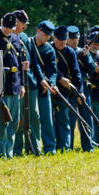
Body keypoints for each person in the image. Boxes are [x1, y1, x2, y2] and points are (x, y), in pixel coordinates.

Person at [0, 13, 25, 159]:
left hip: (15, 85)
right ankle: (1, 153)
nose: (7, 30)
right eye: (6, 27)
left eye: (10, 28)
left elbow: (21, 64)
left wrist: (22, 84)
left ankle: (9, 152)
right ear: (1, 22)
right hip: (1, 87)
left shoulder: (16, 39)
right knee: (0, 124)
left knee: (14, 122)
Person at [13, 9, 45, 156]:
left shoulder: (26, 38)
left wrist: (42, 80)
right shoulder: (6, 37)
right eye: (22, 24)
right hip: (16, 84)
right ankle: (17, 150)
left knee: (34, 117)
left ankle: (35, 148)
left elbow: (35, 62)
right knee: (18, 119)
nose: (25, 27)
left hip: (30, 83)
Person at [51, 25, 84, 152]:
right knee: (51, 123)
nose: (61, 42)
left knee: (64, 121)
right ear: (54, 38)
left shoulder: (70, 52)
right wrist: (60, 78)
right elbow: (47, 67)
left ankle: (65, 148)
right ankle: (52, 148)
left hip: (65, 92)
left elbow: (76, 73)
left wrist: (80, 91)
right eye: (59, 39)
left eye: (64, 40)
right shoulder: (49, 49)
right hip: (49, 89)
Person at [29, 20, 58, 155]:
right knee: (31, 119)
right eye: (45, 34)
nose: (47, 37)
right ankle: (32, 147)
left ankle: (50, 148)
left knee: (46, 120)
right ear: (38, 30)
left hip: (44, 88)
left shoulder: (49, 50)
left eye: (49, 35)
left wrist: (50, 82)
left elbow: (53, 70)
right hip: (30, 86)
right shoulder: (28, 44)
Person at [67, 25, 96, 152]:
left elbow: (92, 69)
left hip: (83, 87)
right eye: (72, 38)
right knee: (70, 120)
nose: (75, 40)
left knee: (86, 119)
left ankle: (88, 146)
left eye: (76, 38)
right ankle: (69, 146)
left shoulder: (83, 51)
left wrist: (85, 56)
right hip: (70, 88)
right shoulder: (65, 52)